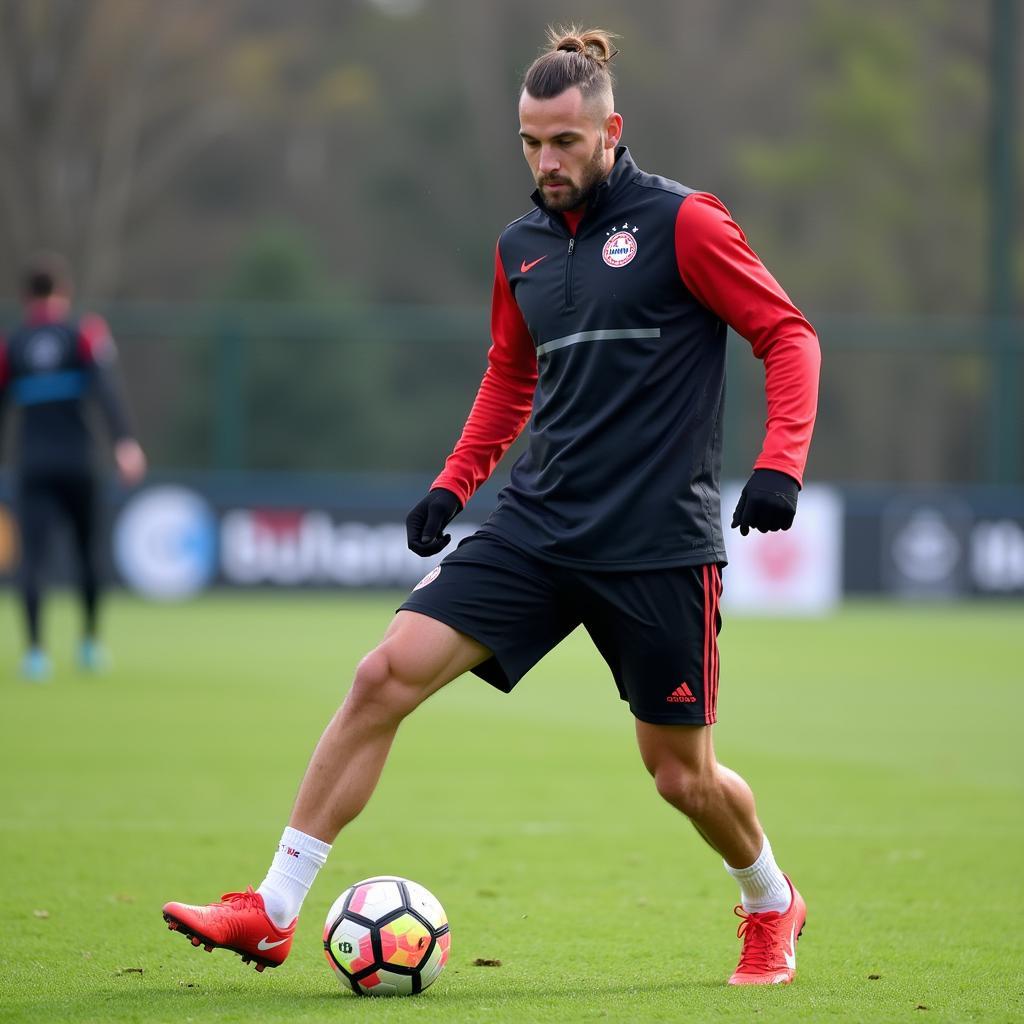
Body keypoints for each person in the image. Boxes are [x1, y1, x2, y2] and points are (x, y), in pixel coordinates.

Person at [163, 26, 821, 987]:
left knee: (681, 776)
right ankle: (270, 910)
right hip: (537, 525)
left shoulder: (685, 224)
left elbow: (788, 336)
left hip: (654, 545)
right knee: (383, 674)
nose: (546, 162)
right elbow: (511, 376)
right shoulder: (519, 247)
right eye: (530, 143)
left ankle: (770, 900)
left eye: (564, 142)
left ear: (610, 130)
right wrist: (454, 482)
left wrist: (781, 463)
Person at [0, 254, 146, 680]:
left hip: (34, 465)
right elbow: (107, 391)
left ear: (26, 297)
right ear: (63, 293)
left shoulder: (13, 345)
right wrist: (125, 442)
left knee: (33, 560)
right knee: (87, 554)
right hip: (79, 462)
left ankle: (34, 652)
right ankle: (88, 643)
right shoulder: (83, 334)